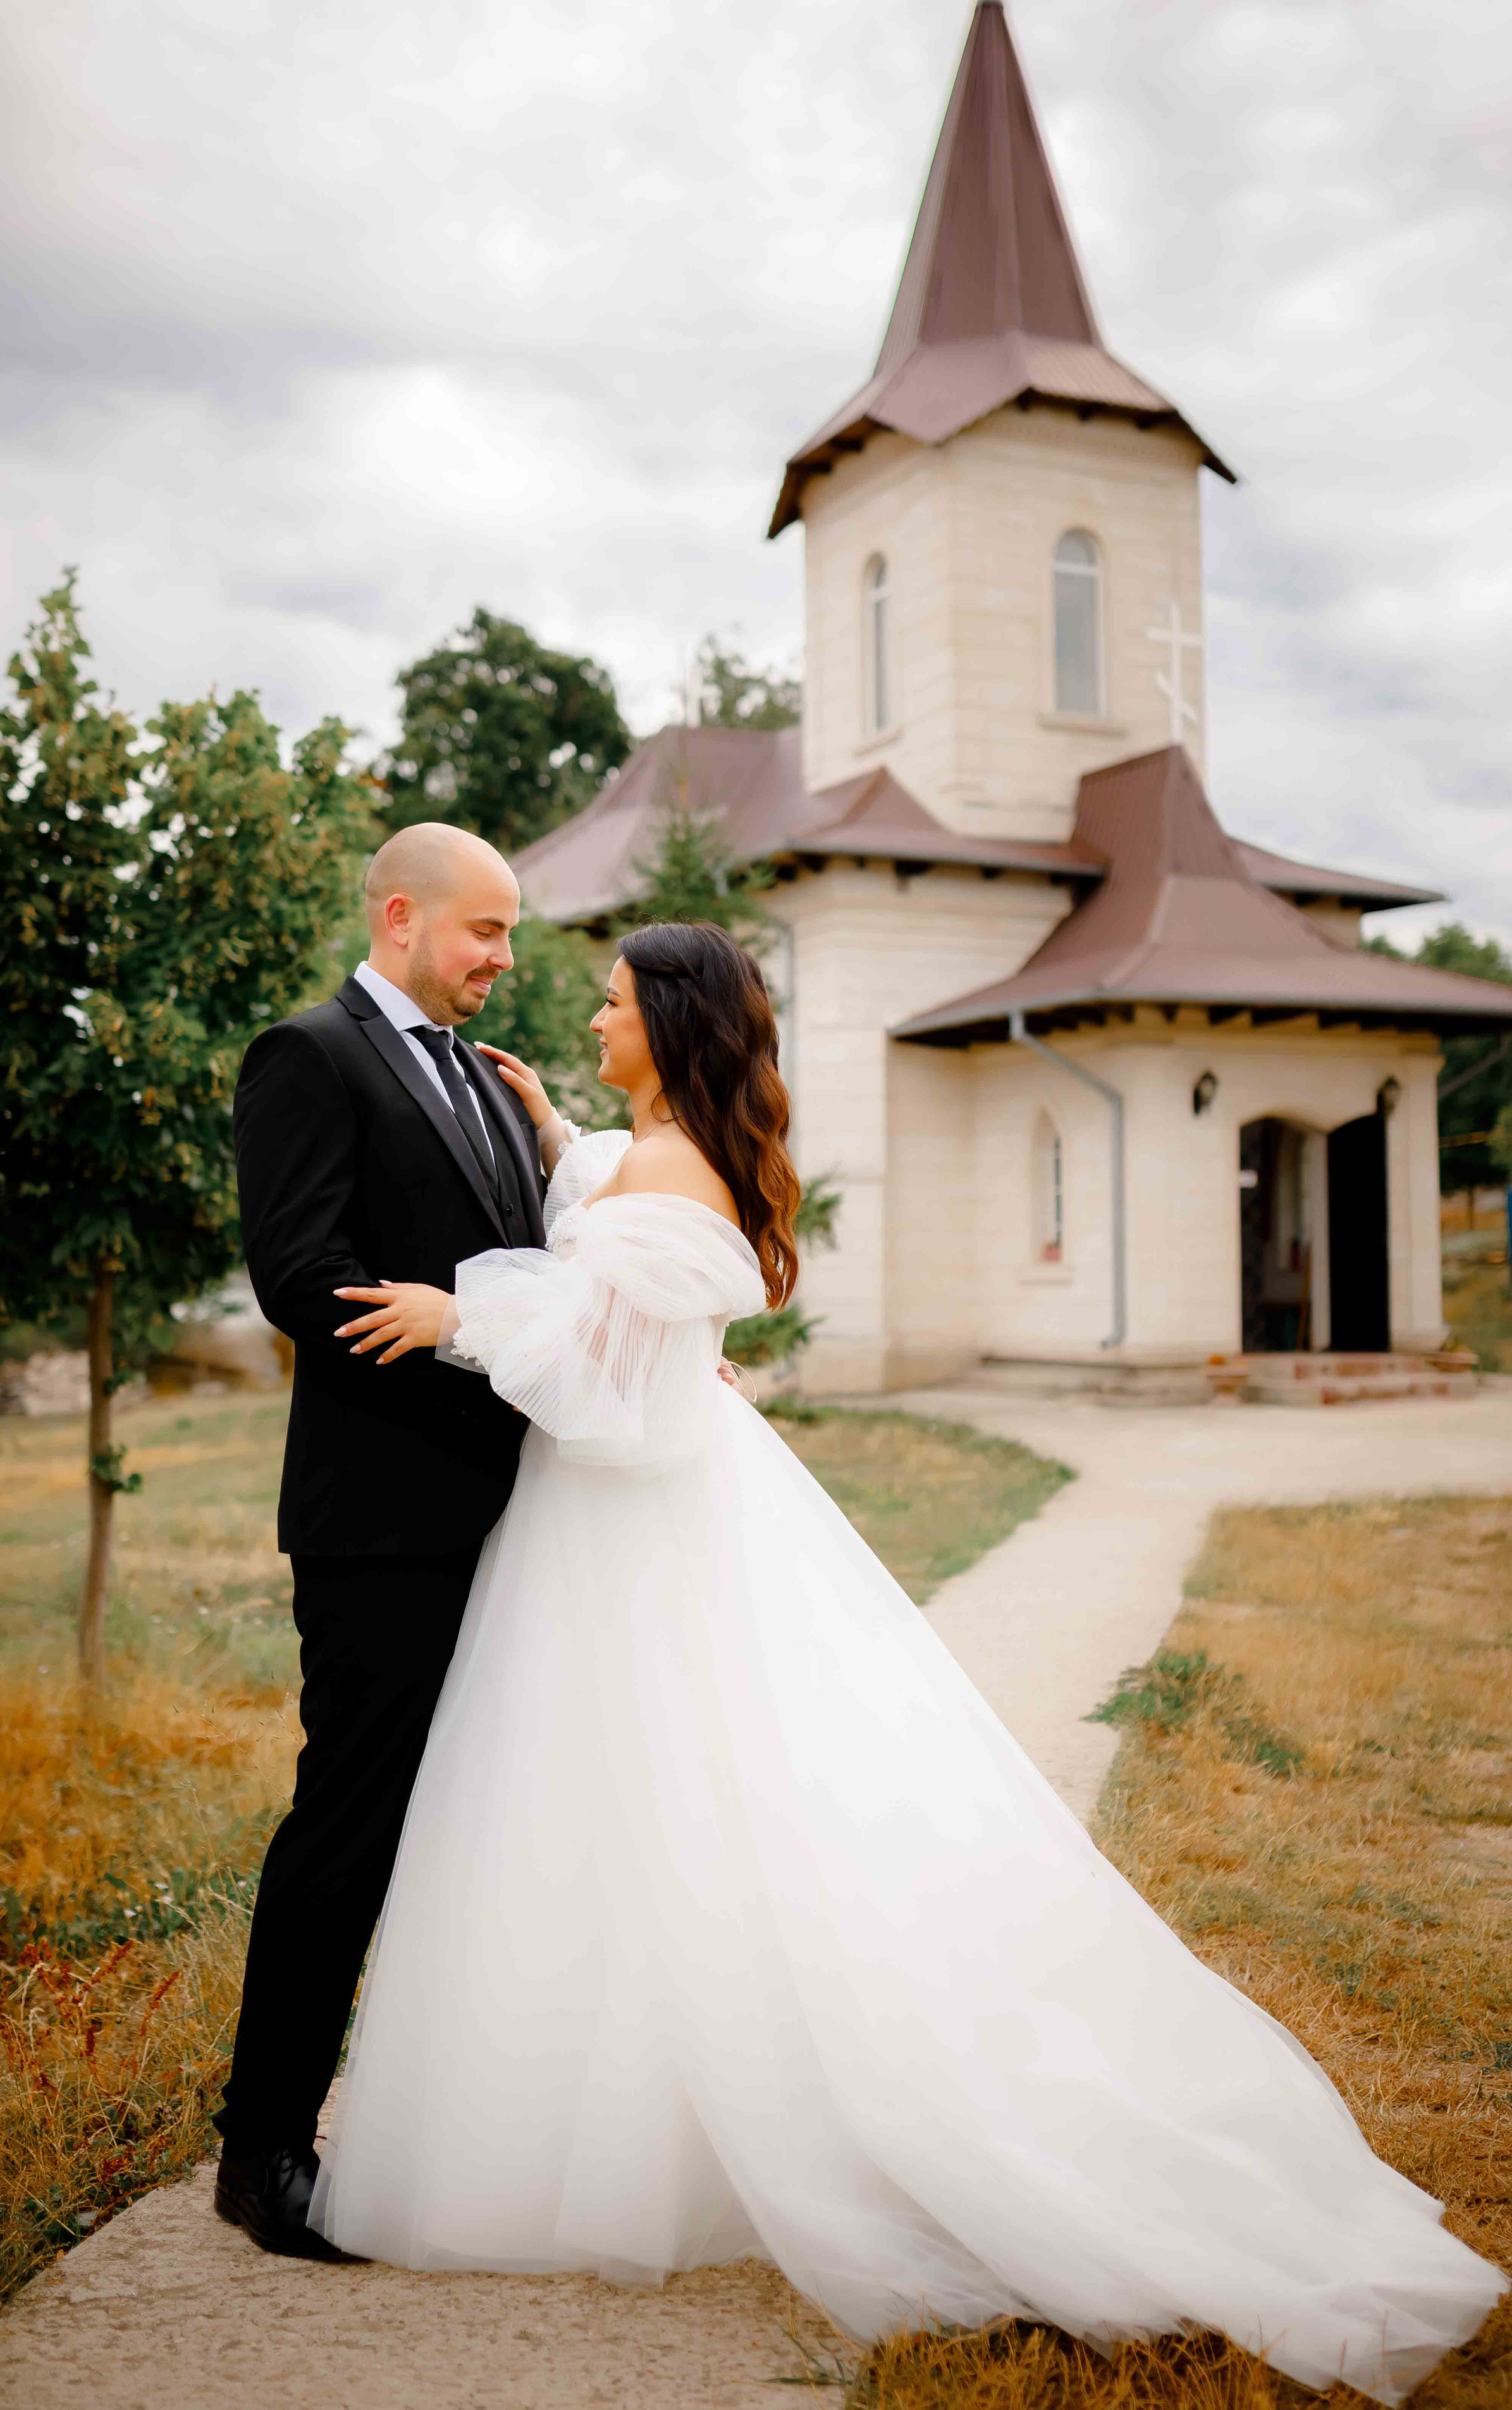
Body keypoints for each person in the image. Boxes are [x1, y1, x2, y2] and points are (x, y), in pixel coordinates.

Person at [307, 919, 1503, 2405]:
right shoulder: (659, 1157)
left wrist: (459, 1319)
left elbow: (608, 1376)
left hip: (629, 1522)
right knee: (638, 1818)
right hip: (643, 1509)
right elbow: (621, 1240)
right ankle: (647, 2128)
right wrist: (555, 1133)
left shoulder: (672, 1176)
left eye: (610, 1005)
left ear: (667, 1024)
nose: (591, 1020)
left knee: (660, 1806)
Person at [213, 821, 550, 2259]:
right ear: (402, 917)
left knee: (487, 1819)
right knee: (348, 1827)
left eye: (511, 934)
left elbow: (532, 1270)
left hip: (527, 1523)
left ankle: (457, 2122)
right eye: (486, 931)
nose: (503, 959)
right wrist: (488, 1366)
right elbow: (306, 1279)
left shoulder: (488, 1081)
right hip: (384, 1526)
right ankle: (263, 2150)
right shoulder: (308, 1056)